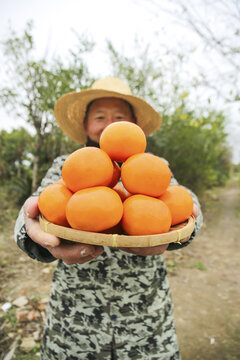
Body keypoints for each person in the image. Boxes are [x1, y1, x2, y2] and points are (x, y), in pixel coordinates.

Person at [14, 77, 203, 360]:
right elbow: (40, 207)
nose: (109, 124)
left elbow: (182, 201)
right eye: (100, 116)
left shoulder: (151, 166)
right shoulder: (68, 165)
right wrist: (31, 229)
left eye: (119, 117)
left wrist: (181, 230)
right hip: (74, 327)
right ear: (86, 125)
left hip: (145, 327)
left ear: (134, 125)